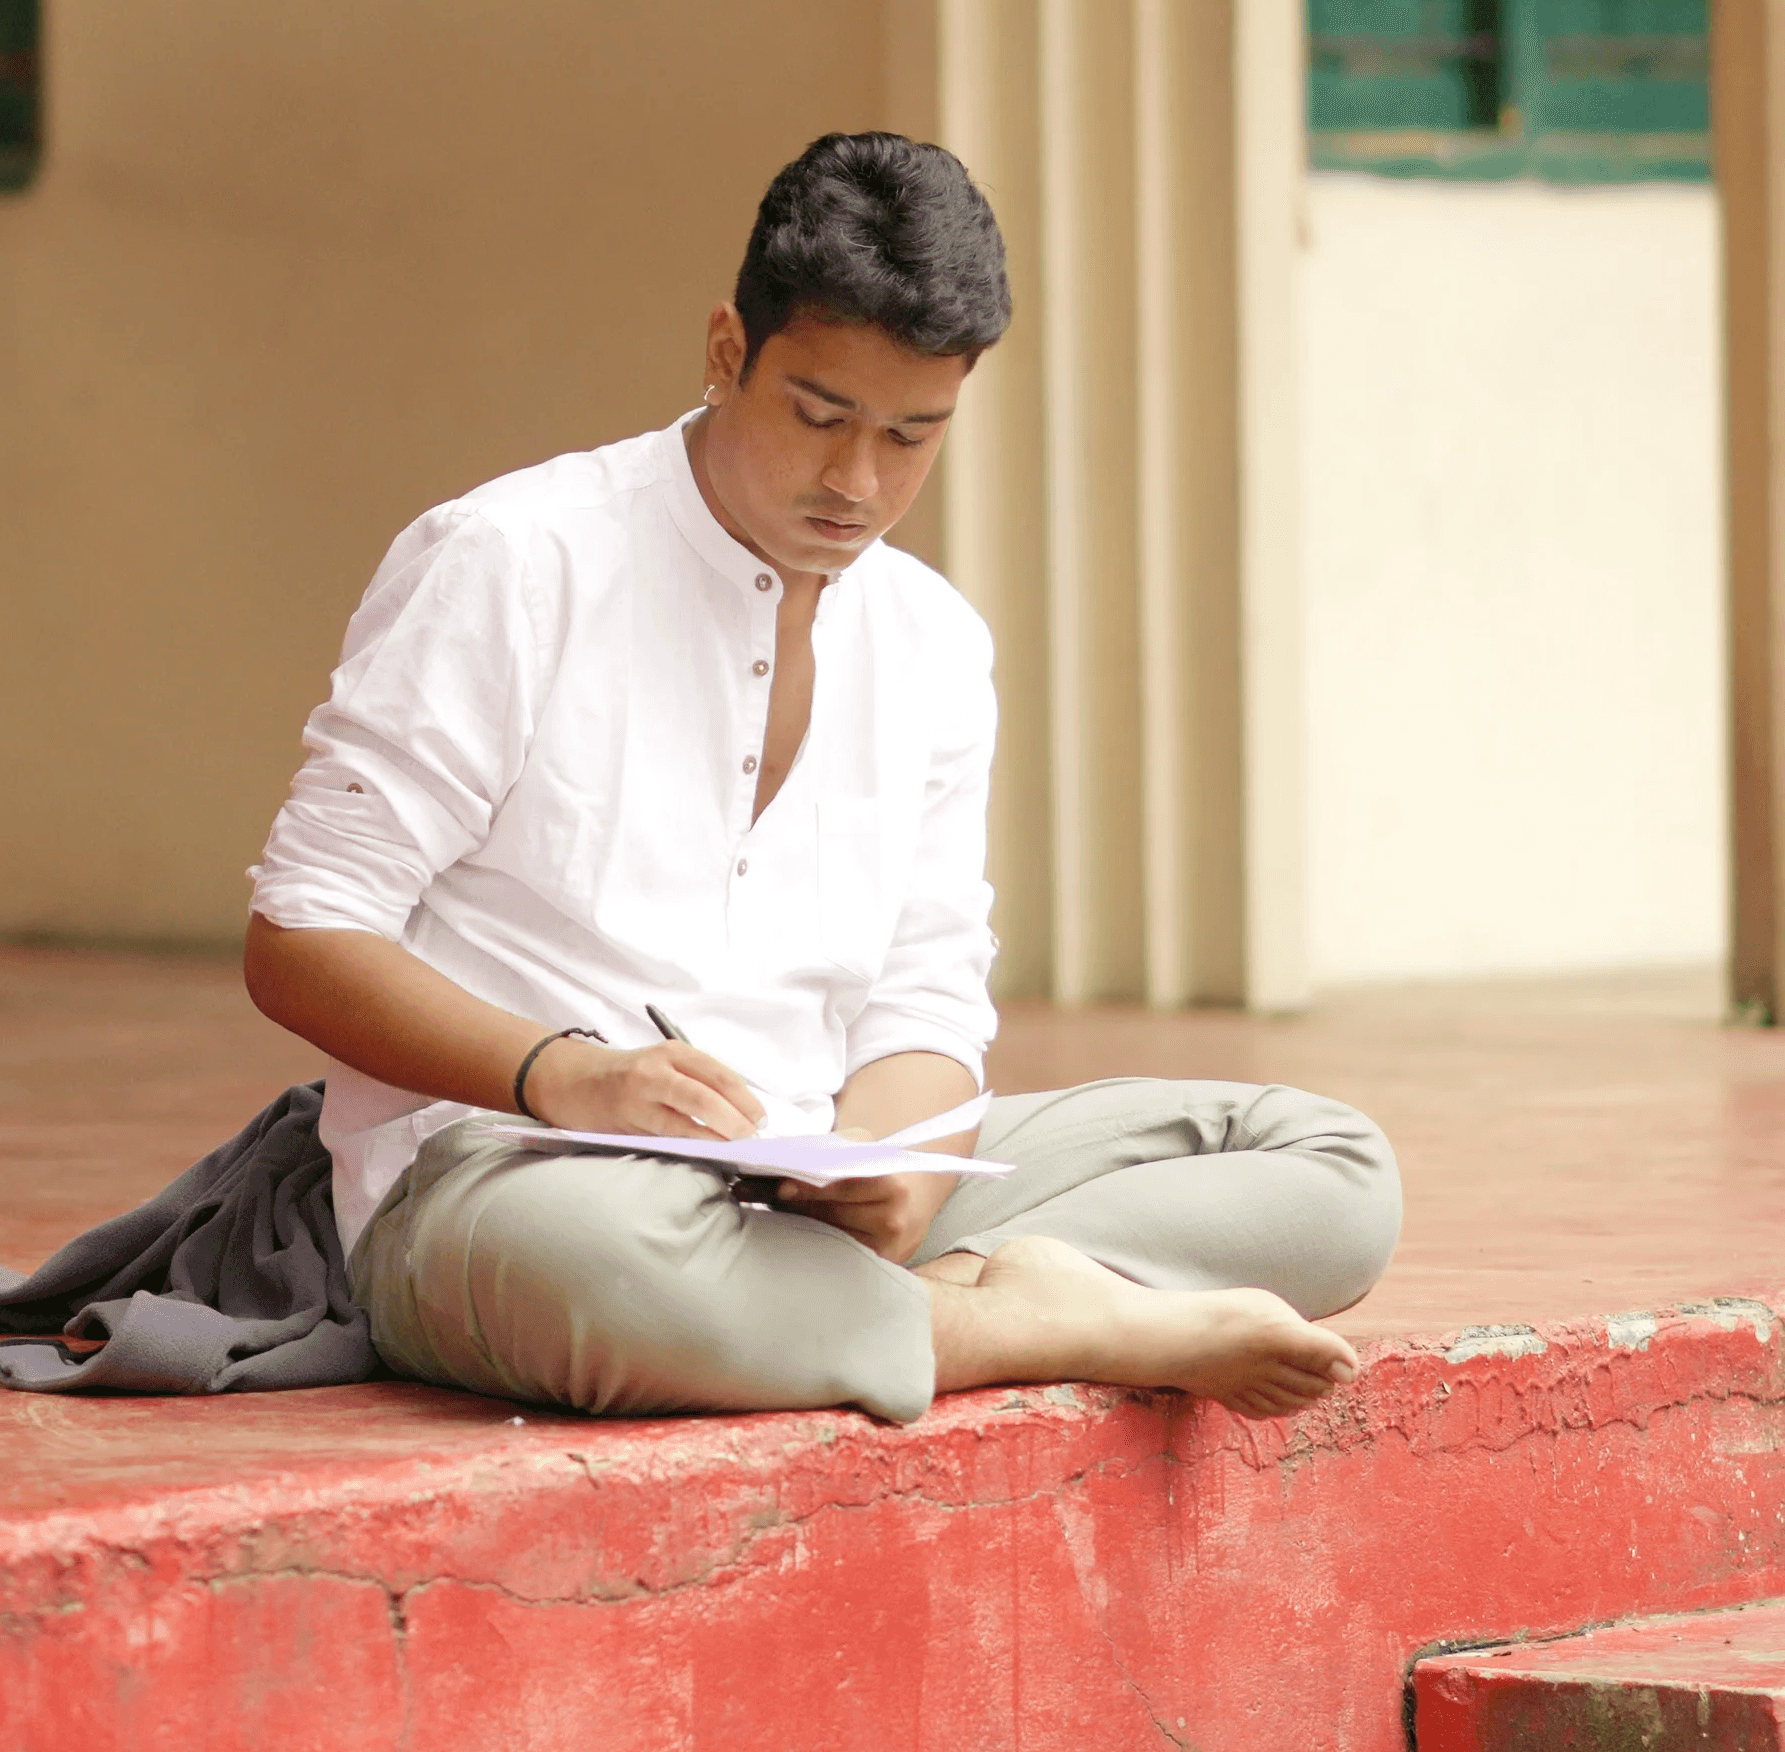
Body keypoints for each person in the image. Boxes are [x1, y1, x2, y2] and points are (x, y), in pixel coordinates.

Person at [241, 132, 1400, 1425]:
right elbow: (301, 936)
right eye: (818, 416)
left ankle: (911, 1303)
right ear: (727, 350)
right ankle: (1016, 1318)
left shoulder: (930, 637)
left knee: (1333, 1169)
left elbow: (924, 992)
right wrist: (566, 1074)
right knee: (609, 1271)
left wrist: (899, 1175)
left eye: (911, 435)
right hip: (518, 1174)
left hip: (810, 1195)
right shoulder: (515, 561)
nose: (857, 481)